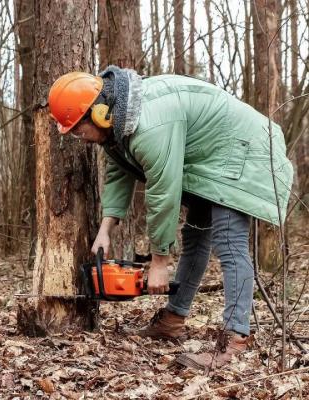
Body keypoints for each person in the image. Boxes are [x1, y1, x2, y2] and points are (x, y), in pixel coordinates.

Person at [47, 66, 293, 370]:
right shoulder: (118, 125)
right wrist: (105, 229)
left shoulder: (149, 125)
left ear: (98, 114)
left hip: (244, 149)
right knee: (195, 236)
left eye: (79, 130)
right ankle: (173, 320)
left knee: (229, 241)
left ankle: (234, 342)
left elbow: (163, 192)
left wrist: (160, 262)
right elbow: (118, 174)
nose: (80, 139)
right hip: (211, 157)